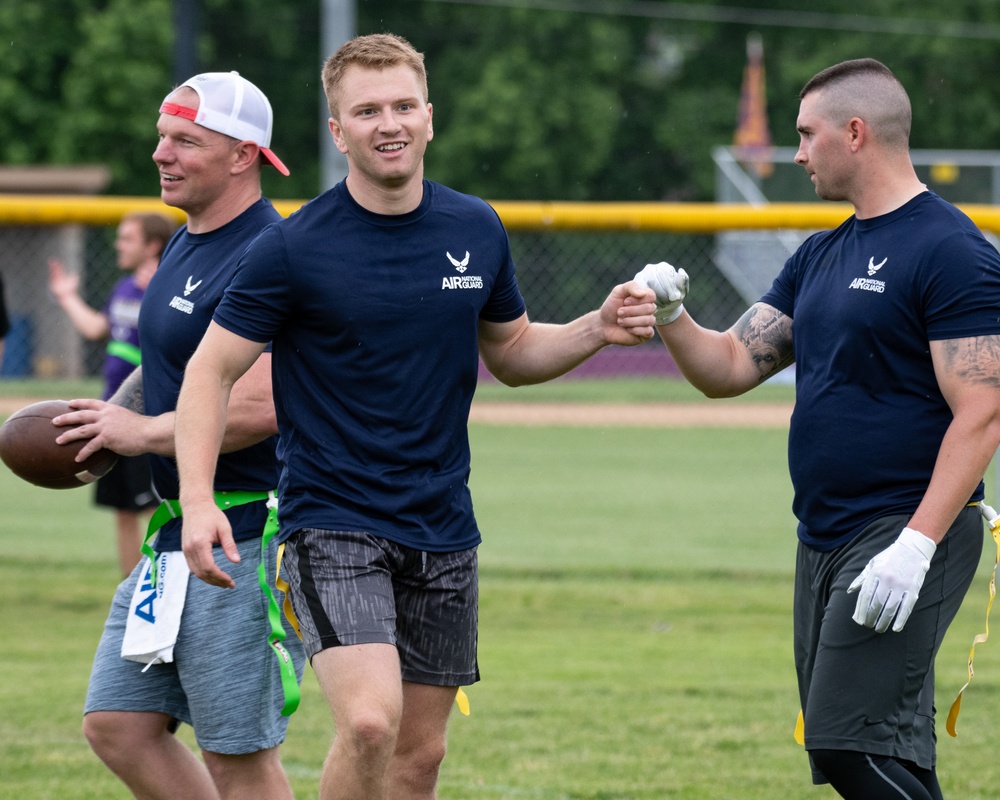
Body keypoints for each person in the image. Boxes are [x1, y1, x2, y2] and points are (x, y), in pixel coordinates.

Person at [172, 33, 657, 800]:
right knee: (369, 724)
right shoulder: (291, 246)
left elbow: (516, 351)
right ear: (338, 132)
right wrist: (197, 501)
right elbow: (210, 371)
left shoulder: (475, 228)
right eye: (366, 111)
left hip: (443, 524)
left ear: (430, 117)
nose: (388, 123)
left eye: (403, 105)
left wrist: (597, 326)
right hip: (330, 520)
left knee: (417, 758)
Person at [634, 58, 1000, 799]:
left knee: (843, 745)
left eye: (806, 135)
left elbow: (984, 407)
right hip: (824, 534)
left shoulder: (951, 250)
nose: (796, 154)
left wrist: (917, 544)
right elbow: (732, 365)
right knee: (890, 750)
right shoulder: (820, 254)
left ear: (855, 133)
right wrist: (672, 316)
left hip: (901, 531)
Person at [52, 71, 305, 800]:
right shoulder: (187, 243)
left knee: (238, 757)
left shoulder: (269, 251)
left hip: (242, 531)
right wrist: (107, 420)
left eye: (185, 141)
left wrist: (142, 432)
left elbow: (261, 407)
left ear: (243, 155)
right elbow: (173, 366)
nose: (161, 153)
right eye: (162, 136)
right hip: (174, 535)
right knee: (118, 725)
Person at [49, 212, 176, 575]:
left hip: (147, 416)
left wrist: (162, 286)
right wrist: (67, 297)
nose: (118, 245)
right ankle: (129, 587)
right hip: (110, 412)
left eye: (127, 238)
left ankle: (163, 581)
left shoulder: (169, 289)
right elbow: (95, 329)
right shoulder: (123, 288)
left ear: (151, 246)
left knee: (157, 508)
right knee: (123, 509)